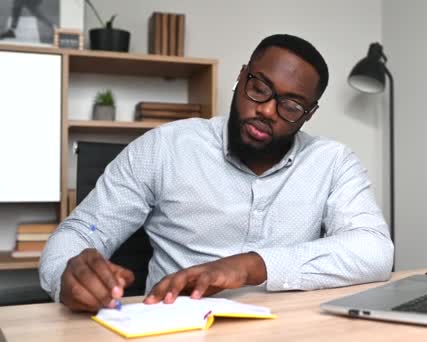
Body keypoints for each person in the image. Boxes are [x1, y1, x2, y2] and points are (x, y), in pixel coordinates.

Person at [40, 34, 394, 312]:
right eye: (259, 88)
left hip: (289, 329)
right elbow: (78, 233)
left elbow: (374, 250)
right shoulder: (165, 147)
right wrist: (68, 273)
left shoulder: (332, 163)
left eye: (290, 105)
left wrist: (251, 266)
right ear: (242, 78)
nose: (267, 110)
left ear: (308, 115)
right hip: (175, 325)